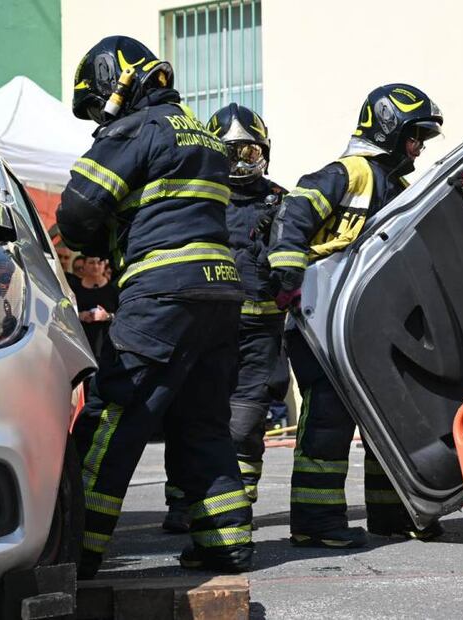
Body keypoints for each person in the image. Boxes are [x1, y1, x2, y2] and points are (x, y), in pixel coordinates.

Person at [57, 35, 252, 577]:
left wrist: (96, 244)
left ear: (115, 84)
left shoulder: (136, 129)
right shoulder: (206, 136)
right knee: (203, 422)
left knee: (111, 413)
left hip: (162, 294)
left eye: (96, 102)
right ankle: (226, 544)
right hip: (220, 295)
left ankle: (75, 550)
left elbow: (76, 211)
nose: (98, 114)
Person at [266, 84, 463, 548]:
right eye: (415, 136)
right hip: (321, 323)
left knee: (388, 417)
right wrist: (288, 272)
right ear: (391, 129)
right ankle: (316, 523)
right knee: (328, 420)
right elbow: (295, 213)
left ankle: (392, 515)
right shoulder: (349, 173)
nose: (418, 147)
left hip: (364, 326)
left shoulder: (395, 187)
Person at [160, 103, 288, 533]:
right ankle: (182, 502)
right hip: (203, 325)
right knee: (190, 414)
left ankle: (238, 503)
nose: (238, 164)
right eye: (229, 153)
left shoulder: (281, 201)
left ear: (264, 152)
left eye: (248, 153)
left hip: (259, 330)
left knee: (246, 422)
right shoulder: (196, 199)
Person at [71, 256, 118, 364]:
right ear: (84, 266)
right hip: (83, 342)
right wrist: (80, 316)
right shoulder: (75, 289)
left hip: (107, 343)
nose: (96, 266)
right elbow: (66, 313)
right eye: (91, 263)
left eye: (99, 263)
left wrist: (106, 316)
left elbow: (121, 314)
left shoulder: (113, 289)